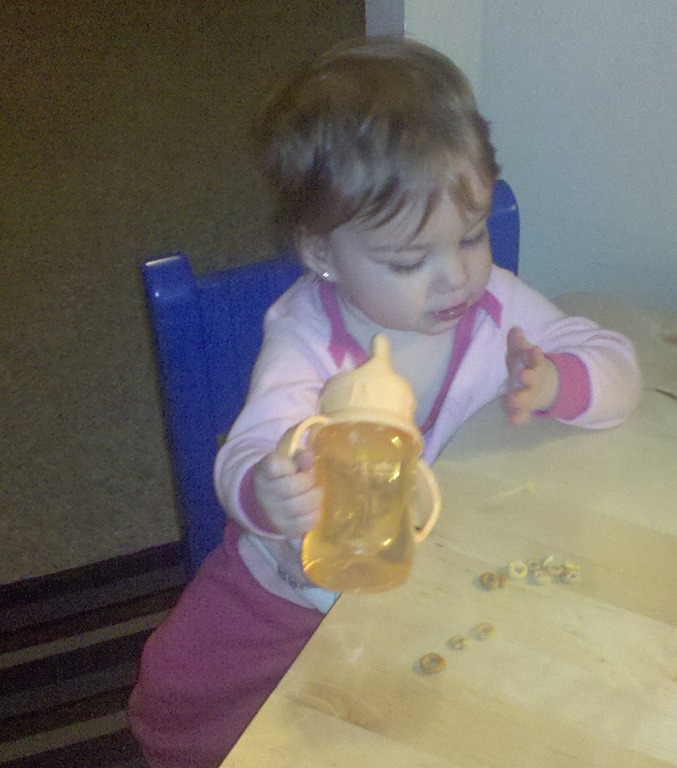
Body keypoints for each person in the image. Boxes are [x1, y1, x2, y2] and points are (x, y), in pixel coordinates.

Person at [128, 36, 642, 767]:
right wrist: (269, 491)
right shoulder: (307, 337)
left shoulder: (496, 308)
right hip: (292, 591)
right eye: (408, 261)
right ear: (322, 254)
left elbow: (618, 366)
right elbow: (251, 447)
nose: (455, 278)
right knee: (176, 692)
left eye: (471, 237)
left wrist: (559, 381)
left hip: (438, 582)